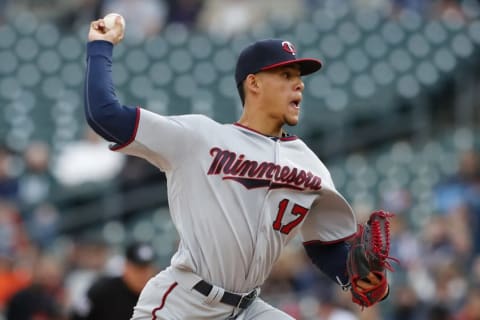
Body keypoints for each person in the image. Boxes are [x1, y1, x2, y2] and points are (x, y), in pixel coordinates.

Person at [84, 15, 390, 320]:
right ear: (253, 83)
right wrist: (101, 46)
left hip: (246, 309)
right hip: (184, 303)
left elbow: (327, 246)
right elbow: (104, 115)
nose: (298, 84)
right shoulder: (198, 137)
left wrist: (360, 278)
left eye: (299, 76)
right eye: (285, 75)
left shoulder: (310, 165)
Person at [70, 241, 157, 320]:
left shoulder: (159, 294)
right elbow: (77, 315)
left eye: (147, 269)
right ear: (126, 267)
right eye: (138, 270)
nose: (143, 275)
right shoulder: (102, 291)